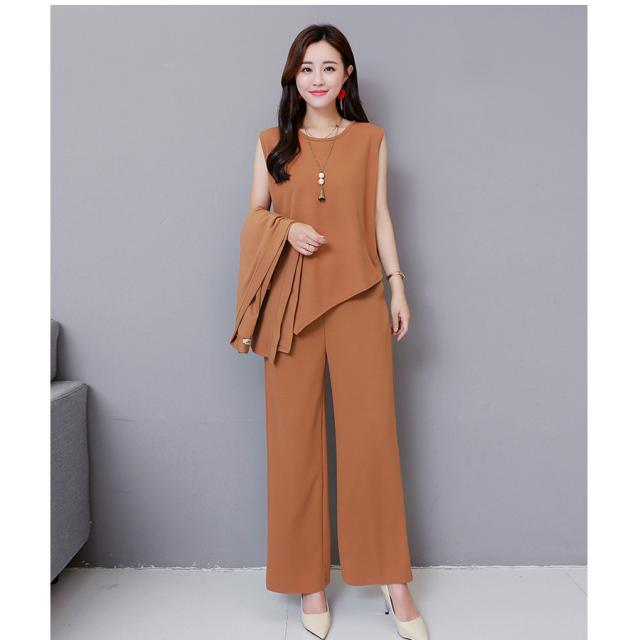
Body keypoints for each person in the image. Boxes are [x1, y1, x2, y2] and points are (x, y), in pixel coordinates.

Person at [231, 24, 430, 640]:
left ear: (346, 76)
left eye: (328, 67)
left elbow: (379, 217)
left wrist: (398, 285)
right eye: (306, 68)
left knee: (373, 441)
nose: (317, 78)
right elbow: (255, 217)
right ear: (294, 78)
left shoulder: (370, 140)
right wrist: (285, 229)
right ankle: (309, 582)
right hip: (290, 307)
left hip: (360, 297)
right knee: (293, 444)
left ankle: (393, 581)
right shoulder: (271, 144)